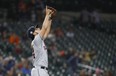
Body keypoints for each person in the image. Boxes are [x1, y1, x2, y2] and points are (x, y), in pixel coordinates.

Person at [27, 6, 56, 76]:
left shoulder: (39, 40)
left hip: (40, 70)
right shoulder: (36, 40)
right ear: (33, 33)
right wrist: (47, 15)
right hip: (39, 70)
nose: (38, 28)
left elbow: (47, 30)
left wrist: (50, 18)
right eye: (36, 29)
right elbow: (44, 27)